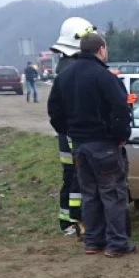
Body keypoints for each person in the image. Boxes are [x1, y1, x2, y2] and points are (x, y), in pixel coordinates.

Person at [48, 31, 134, 257]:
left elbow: (54, 111)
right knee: (113, 194)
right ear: (101, 50)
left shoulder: (64, 77)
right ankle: (117, 244)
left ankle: (93, 241)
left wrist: (68, 131)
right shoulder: (105, 77)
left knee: (90, 194)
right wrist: (120, 135)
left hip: (79, 145)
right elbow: (121, 109)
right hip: (104, 144)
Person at [49, 16, 96, 235]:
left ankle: (68, 220)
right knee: (76, 177)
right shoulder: (72, 68)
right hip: (72, 135)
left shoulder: (64, 66)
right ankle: (76, 221)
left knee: (71, 176)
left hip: (66, 133)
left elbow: (55, 110)